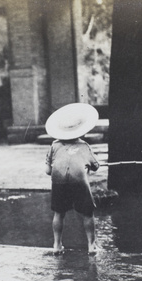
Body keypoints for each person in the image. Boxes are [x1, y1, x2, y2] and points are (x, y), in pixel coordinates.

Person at [44, 103, 101, 255]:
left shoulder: (54, 146)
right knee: (88, 213)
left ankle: (57, 245)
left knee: (59, 213)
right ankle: (91, 246)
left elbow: (47, 170)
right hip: (79, 181)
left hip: (58, 181)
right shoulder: (84, 146)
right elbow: (96, 166)